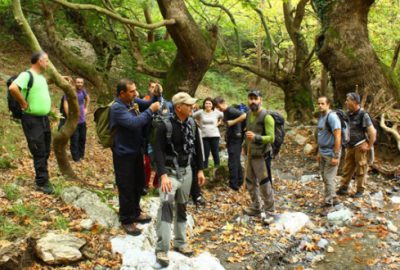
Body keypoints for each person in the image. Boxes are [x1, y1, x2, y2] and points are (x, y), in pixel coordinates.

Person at [153, 92, 206, 267]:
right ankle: (162, 249)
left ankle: (180, 243)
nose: (192, 107)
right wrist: (163, 175)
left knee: (182, 206)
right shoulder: (164, 125)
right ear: (178, 107)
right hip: (169, 174)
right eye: (189, 105)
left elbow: (197, 147)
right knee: (166, 207)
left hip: (187, 172)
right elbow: (157, 151)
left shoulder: (191, 123)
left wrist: (200, 170)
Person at [110, 79, 160, 236]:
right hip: (123, 153)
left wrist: (157, 94)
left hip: (136, 150)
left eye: (135, 90)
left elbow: (151, 102)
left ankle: (136, 212)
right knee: (126, 186)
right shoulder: (117, 108)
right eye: (132, 91)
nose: (135, 93)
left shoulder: (132, 102)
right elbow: (134, 123)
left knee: (138, 183)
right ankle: (126, 219)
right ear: (122, 93)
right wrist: (151, 110)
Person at [9, 51, 54, 194]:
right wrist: (22, 103)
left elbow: (39, 88)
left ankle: (43, 176)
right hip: (32, 120)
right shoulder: (26, 75)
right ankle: (42, 182)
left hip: (44, 119)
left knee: (46, 149)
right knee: (39, 150)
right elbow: (13, 88)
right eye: (46, 60)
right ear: (40, 61)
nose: (48, 63)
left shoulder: (40, 77)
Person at [243, 90, 275, 225]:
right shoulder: (249, 114)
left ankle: (270, 211)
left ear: (260, 99)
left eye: (255, 98)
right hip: (250, 153)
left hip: (262, 155)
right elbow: (248, 131)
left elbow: (271, 138)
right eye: (250, 99)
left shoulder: (267, 117)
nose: (253, 101)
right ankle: (256, 207)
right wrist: (244, 147)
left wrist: (256, 137)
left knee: (264, 183)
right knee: (250, 181)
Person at [337, 92, 376, 198]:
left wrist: (368, 146)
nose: (346, 102)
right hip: (350, 145)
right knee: (347, 168)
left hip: (360, 146)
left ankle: (360, 191)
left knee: (361, 168)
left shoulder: (363, 115)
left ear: (355, 102)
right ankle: (344, 187)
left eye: (348, 100)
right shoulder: (348, 114)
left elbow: (372, 132)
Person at [214, 96, 247, 191]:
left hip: (235, 139)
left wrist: (233, 122)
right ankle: (239, 181)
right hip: (233, 138)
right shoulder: (226, 111)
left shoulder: (230, 110)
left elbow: (244, 115)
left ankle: (233, 184)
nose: (217, 108)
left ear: (222, 102)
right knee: (236, 160)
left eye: (217, 106)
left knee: (232, 161)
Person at [316, 96, 341, 207]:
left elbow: (338, 135)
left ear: (328, 104)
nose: (320, 106)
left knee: (329, 178)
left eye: (322, 103)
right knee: (325, 177)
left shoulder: (332, 117)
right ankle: (333, 198)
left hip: (331, 152)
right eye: (319, 103)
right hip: (322, 152)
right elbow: (321, 135)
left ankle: (329, 202)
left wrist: (336, 155)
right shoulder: (322, 117)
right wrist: (318, 152)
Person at [60, 78, 90, 162]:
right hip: (74, 120)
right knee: (75, 139)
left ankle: (81, 155)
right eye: (78, 82)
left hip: (82, 120)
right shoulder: (70, 91)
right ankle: (76, 158)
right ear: (75, 83)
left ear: (83, 84)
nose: (79, 84)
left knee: (82, 138)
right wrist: (69, 115)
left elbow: (87, 98)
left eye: (81, 82)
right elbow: (65, 103)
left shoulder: (83, 91)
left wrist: (86, 108)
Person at [193, 97, 224, 168]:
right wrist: (197, 123)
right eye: (206, 103)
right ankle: (205, 170)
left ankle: (217, 169)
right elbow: (192, 116)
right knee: (205, 154)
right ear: (204, 104)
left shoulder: (216, 112)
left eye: (210, 103)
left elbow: (224, 115)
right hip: (204, 136)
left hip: (215, 136)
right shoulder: (200, 112)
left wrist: (219, 122)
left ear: (212, 105)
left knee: (215, 153)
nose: (208, 105)